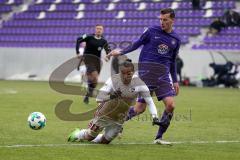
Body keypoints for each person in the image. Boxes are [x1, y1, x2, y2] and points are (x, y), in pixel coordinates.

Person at [107, 8, 181, 145]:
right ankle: (117, 120)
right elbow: (137, 43)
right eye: (161, 19)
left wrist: (175, 81)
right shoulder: (151, 31)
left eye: (165, 20)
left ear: (172, 20)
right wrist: (121, 52)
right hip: (147, 74)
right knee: (139, 109)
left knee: (170, 105)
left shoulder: (176, 39)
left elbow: (172, 61)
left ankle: (158, 138)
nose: (162, 22)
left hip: (163, 76)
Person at [68, 59, 159, 144]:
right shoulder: (113, 80)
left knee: (105, 141)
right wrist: (112, 96)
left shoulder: (139, 84)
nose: (125, 76)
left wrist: (155, 117)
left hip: (120, 117)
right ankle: (77, 133)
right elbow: (99, 98)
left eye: (128, 73)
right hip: (104, 114)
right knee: (89, 137)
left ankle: (93, 137)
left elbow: (150, 101)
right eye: (123, 73)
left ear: (133, 72)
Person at [75, 24, 111, 104]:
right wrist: (77, 52)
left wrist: (108, 56)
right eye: (97, 28)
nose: (99, 30)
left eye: (100, 29)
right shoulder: (88, 37)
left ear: (102, 31)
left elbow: (108, 50)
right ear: (95, 30)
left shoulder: (103, 41)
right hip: (88, 59)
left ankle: (88, 95)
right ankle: (89, 89)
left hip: (97, 61)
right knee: (94, 76)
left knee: (95, 81)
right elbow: (78, 39)